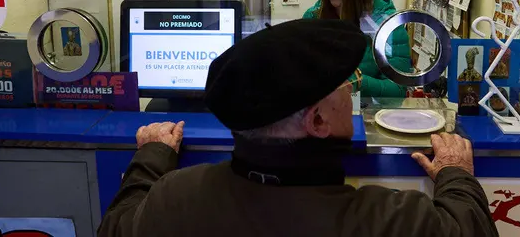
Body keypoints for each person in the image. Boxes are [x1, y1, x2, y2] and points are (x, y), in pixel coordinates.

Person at [98, 19, 497, 237]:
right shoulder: (391, 220)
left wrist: (151, 157)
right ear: (318, 121)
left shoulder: (175, 199)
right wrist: (455, 174)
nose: (351, 90)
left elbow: (116, 227)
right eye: (344, 85)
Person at [302, 0, 411, 97]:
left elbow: (398, 90)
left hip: (368, 110)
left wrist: (357, 81)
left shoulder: (387, 25)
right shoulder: (314, 17)